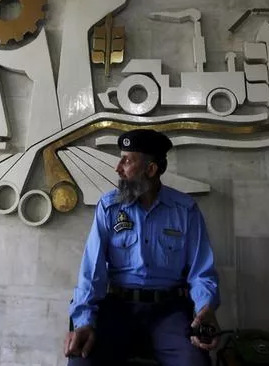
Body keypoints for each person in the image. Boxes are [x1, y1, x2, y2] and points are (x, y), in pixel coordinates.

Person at [64, 128, 220, 366]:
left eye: (127, 161)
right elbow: (92, 271)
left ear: (151, 169)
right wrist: (84, 321)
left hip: (168, 313)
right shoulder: (109, 207)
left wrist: (205, 309)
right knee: (81, 362)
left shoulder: (185, 210)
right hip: (117, 310)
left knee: (195, 362)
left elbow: (201, 272)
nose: (118, 168)